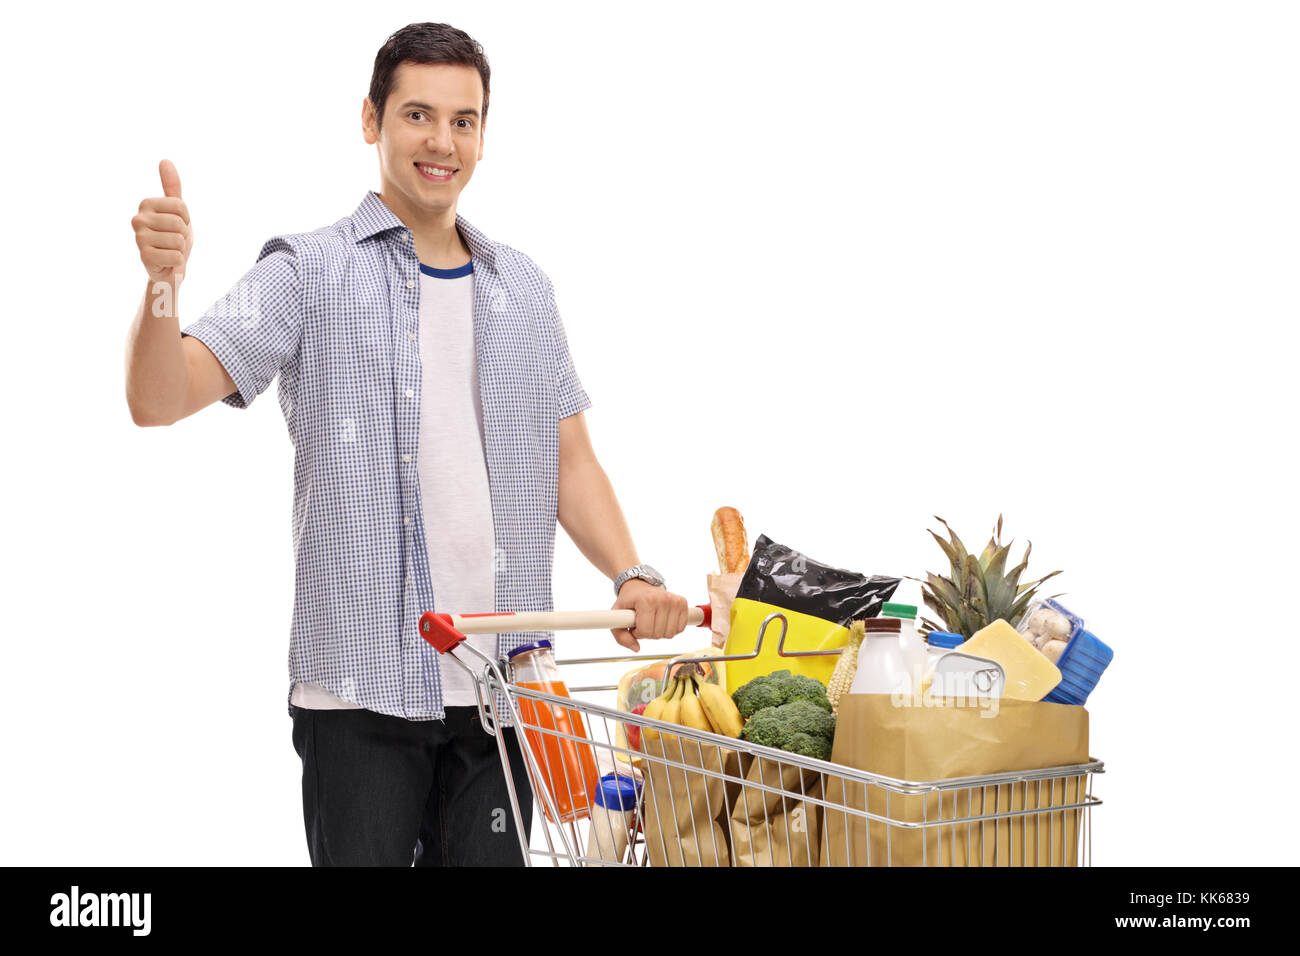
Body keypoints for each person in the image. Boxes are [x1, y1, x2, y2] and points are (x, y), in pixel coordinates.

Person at [124, 21, 691, 866]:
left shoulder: (523, 288)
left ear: (483, 135)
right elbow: (158, 399)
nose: (441, 141)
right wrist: (163, 286)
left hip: (503, 692)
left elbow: (571, 462)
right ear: (371, 120)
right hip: (357, 692)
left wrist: (631, 571)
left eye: (464, 121)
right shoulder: (306, 272)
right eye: (418, 115)